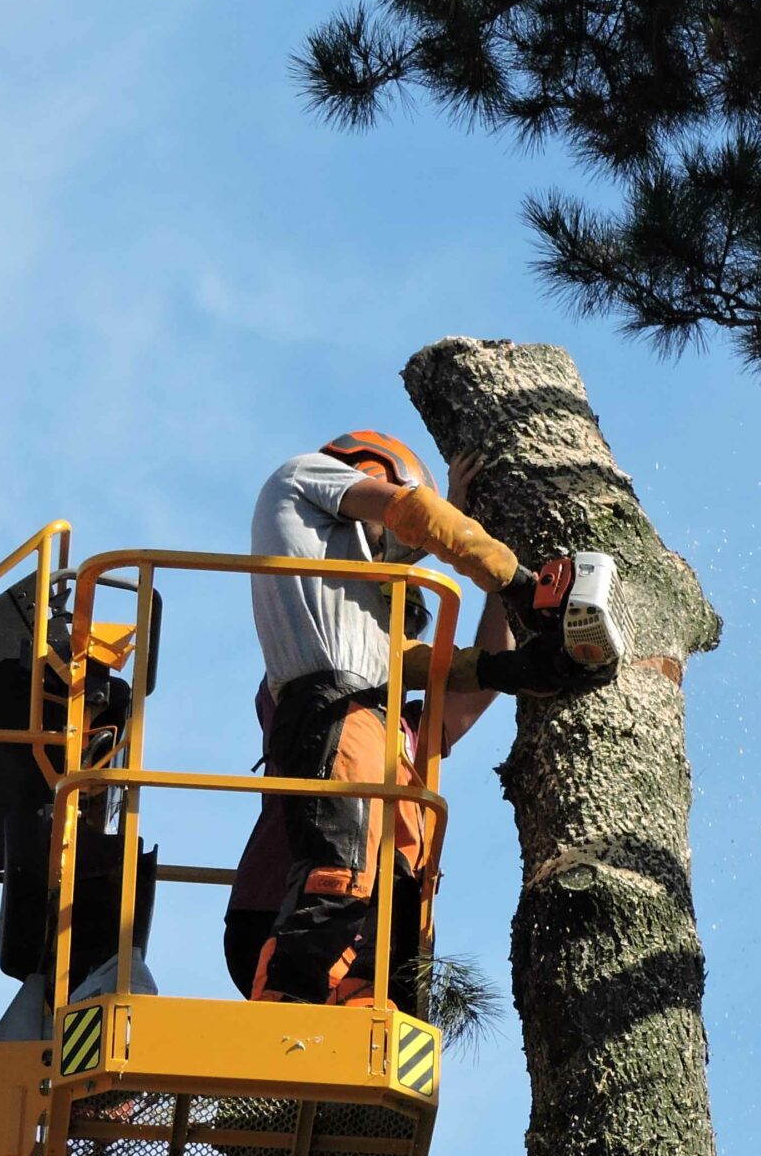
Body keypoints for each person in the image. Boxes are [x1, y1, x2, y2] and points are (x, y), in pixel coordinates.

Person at [243, 429, 602, 1007]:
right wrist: (518, 582)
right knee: (344, 869)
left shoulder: (352, 608)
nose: (407, 620)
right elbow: (411, 514)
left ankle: (367, 1001)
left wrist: (513, 668)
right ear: (372, 470)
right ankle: (287, 1000)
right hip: (335, 709)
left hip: (364, 714)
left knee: (398, 883)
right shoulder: (305, 476)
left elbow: (433, 668)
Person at [224, 585, 511, 1003]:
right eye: (391, 621)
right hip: (286, 919)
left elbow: (484, 682)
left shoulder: (411, 732)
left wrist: (505, 587)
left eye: (410, 627)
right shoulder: (309, 697)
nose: (401, 638)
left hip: (379, 939)